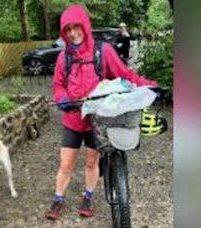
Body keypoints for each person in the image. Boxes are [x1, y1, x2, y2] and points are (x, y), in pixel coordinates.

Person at [44, 5, 157, 220]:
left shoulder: (102, 51)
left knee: (91, 162)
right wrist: (62, 99)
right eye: (68, 30)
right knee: (66, 164)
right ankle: (58, 199)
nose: (73, 33)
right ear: (64, 33)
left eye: (76, 27)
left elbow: (125, 75)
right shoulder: (63, 58)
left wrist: (148, 85)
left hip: (98, 119)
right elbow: (58, 85)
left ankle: (88, 196)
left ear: (85, 27)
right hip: (73, 119)